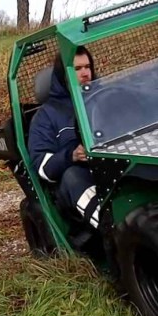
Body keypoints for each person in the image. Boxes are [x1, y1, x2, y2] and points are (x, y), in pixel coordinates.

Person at [28, 46, 100, 243]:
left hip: (109, 168)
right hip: (73, 182)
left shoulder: (103, 99)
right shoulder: (46, 116)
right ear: (63, 74)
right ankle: (111, 227)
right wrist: (72, 155)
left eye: (87, 67)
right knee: (73, 176)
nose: (85, 73)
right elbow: (42, 166)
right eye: (77, 69)